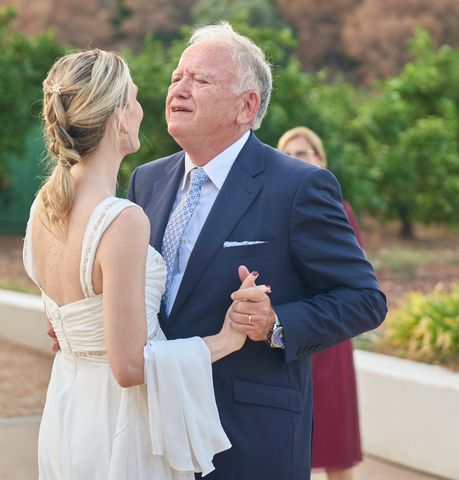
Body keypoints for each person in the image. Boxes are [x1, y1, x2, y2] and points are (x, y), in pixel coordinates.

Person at [127, 22, 387, 479]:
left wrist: (276, 323)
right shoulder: (145, 180)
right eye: (176, 78)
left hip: (248, 437)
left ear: (247, 106)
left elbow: (365, 300)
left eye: (200, 80)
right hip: (151, 431)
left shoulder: (299, 187)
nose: (179, 90)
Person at [25, 49, 263, 479]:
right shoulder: (122, 218)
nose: (142, 109)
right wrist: (227, 339)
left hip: (69, 408)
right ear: (118, 117)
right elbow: (130, 366)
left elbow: (73, 318)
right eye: (133, 99)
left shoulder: (44, 208)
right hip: (120, 425)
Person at [277, 126, 364, 480]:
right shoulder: (274, 206)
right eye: (288, 154)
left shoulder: (338, 208)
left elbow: (353, 276)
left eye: (303, 153)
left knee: (335, 440)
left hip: (329, 336)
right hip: (288, 335)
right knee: (290, 443)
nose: (296, 160)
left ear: (320, 159)